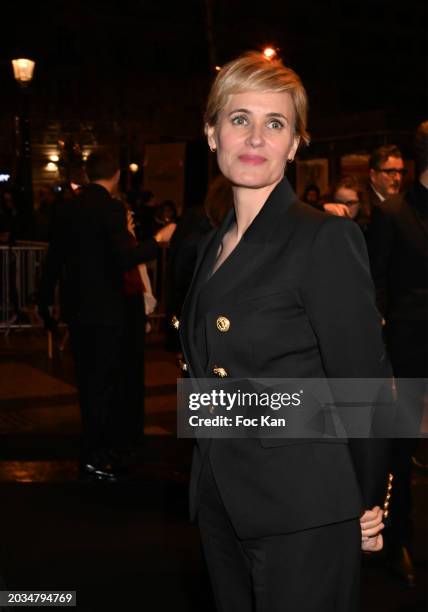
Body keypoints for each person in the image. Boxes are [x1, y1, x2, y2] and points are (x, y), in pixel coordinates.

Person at [178, 52, 391, 612]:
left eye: (275, 124)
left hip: (305, 506)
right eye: (238, 118)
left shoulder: (322, 238)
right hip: (221, 497)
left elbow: (364, 380)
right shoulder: (210, 246)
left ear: (295, 144)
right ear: (211, 132)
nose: (254, 137)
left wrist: (369, 498)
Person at [38, 149, 175, 480]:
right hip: (108, 312)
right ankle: (98, 455)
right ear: (116, 176)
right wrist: (159, 241)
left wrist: (45, 304)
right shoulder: (110, 208)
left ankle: (93, 451)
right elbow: (122, 258)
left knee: (88, 383)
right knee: (106, 384)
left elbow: (53, 260)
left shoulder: (66, 208)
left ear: (87, 173)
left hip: (79, 309)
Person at [368, 121, 428, 585]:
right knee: (401, 450)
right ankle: (396, 541)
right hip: (408, 351)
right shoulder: (392, 214)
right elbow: (378, 286)